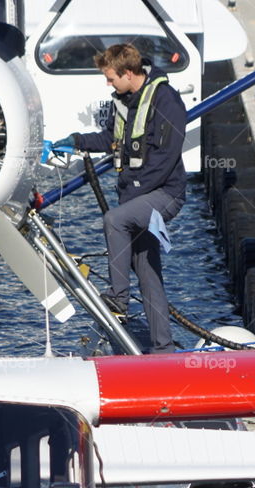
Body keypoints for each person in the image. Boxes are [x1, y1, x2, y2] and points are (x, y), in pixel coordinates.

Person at [53, 43, 186, 353]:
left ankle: (117, 298)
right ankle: (163, 349)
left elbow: (166, 159)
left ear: (128, 73)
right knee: (147, 272)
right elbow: (110, 139)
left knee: (114, 220)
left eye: (111, 78)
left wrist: (134, 193)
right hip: (138, 198)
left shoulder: (166, 101)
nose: (108, 84)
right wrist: (76, 141)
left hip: (165, 195)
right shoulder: (124, 101)